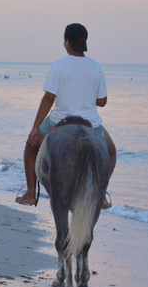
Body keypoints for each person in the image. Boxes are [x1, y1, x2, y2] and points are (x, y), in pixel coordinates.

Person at [15, 23, 117, 206]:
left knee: (30, 147)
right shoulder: (96, 67)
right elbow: (102, 102)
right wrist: (84, 95)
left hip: (58, 122)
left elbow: (48, 98)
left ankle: (31, 194)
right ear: (84, 43)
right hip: (91, 125)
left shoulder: (59, 65)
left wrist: (35, 127)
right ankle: (100, 194)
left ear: (67, 42)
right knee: (111, 152)